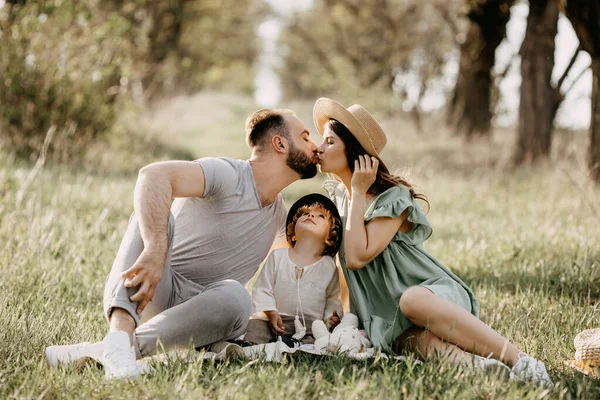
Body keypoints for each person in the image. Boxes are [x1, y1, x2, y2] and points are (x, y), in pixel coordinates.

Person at [45, 108, 320, 379]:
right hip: (152, 291)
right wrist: (154, 249)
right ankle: (119, 336)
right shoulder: (227, 174)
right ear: (280, 143)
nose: (315, 145)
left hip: (201, 318)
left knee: (238, 298)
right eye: (306, 137)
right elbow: (152, 176)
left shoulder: (279, 216)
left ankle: (114, 348)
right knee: (156, 218)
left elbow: (310, 259)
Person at [312, 97, 553, 387]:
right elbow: (344, 269)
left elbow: (357, 257)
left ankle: (522, 361)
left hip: (431, 297)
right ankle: (487, 372)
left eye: (329, 142)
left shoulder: (392, 198)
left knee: (411, 301)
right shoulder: (340, 203)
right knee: (414, 343)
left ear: (354, 152)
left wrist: (359, 191)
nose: (319, 148)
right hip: (391, 319)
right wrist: (338, 311)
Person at [244, 193, 343, 346]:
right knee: (255, 326)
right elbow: (263, 288)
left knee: (317, 337)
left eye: (320, 216)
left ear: (329, 239)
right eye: (304, 214)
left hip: (310, 324)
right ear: (293, 233)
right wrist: (270, 311)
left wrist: (331, 317)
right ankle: (252, 346)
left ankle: (301, 348)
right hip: (275, 319)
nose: (310, 215)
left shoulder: (328, 266)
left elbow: (332, 299)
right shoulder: (278, 256)